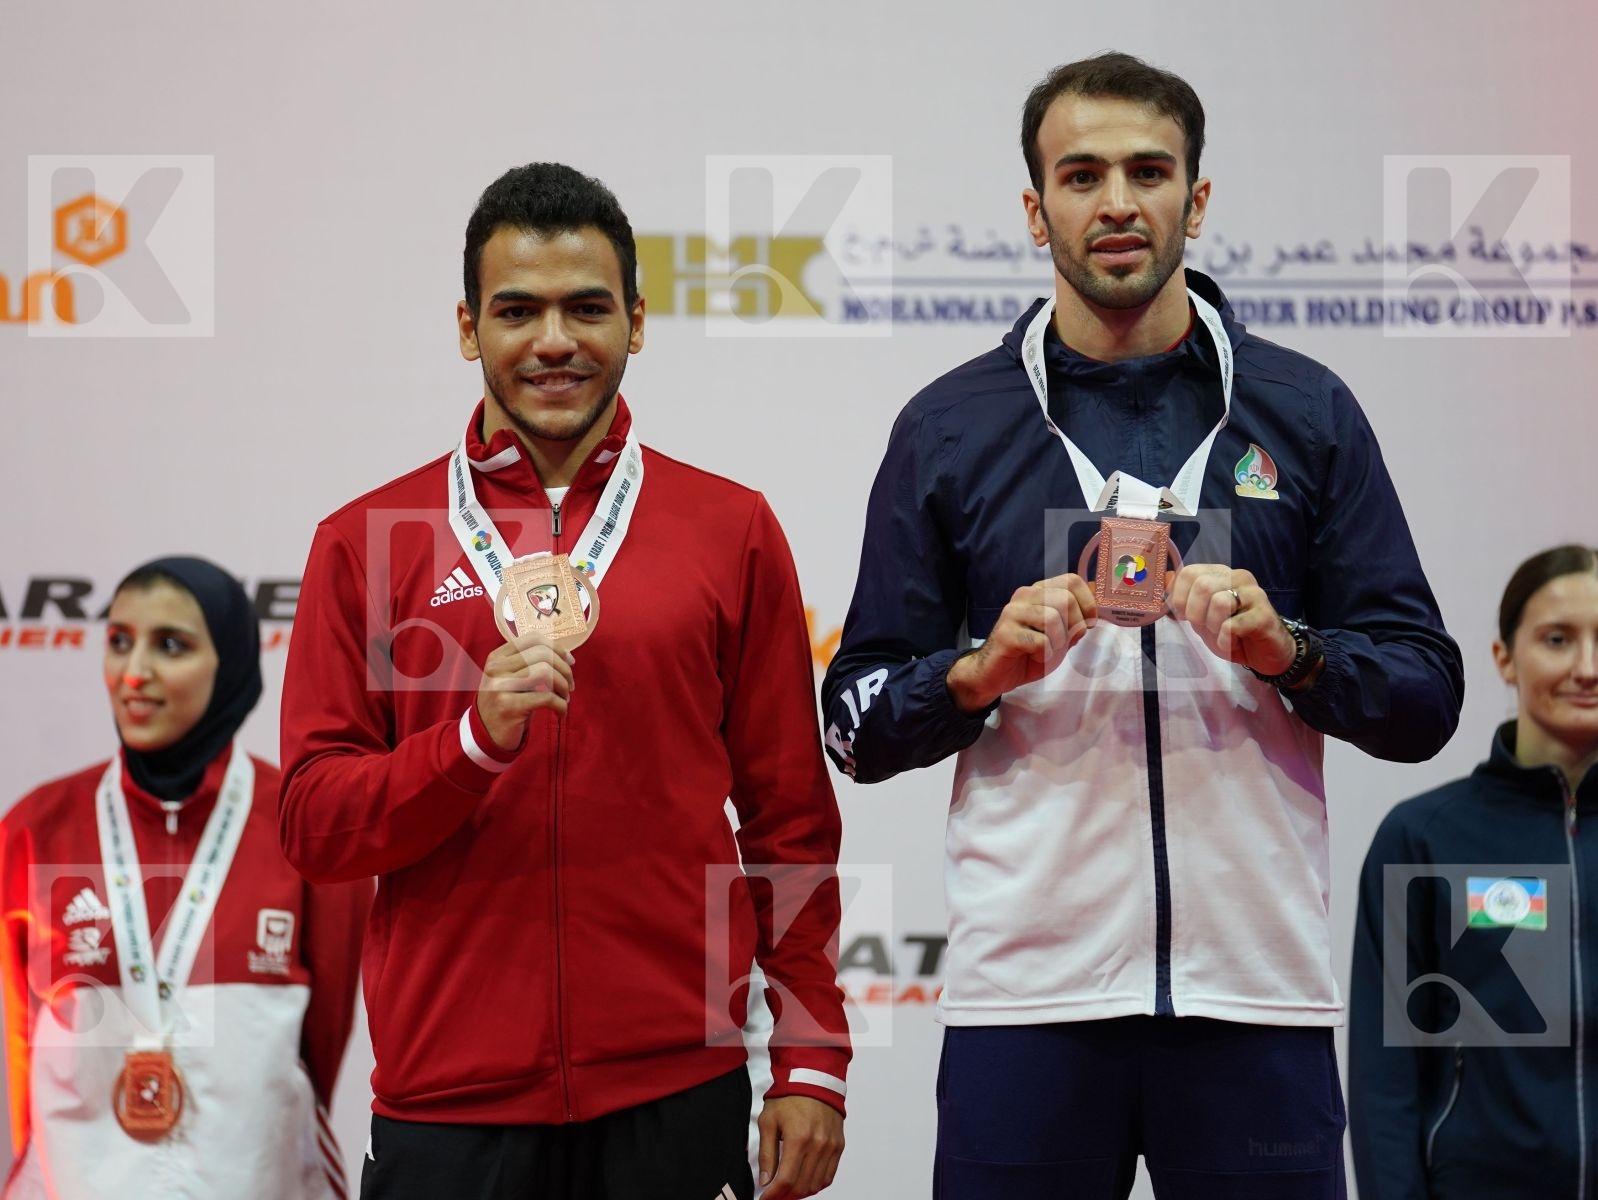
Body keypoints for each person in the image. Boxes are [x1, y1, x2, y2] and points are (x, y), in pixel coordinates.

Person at [820, 52, 1463, 1199]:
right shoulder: (950, 428)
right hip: (1027, 1007)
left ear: (1195, 201)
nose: (1114, 201)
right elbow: (853, 723)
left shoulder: (1304, 414)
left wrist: (1293, 653)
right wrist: (974, 674)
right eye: (1080, 175)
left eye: (1146, 171)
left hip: (1252, 1001)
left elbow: (1424, 694)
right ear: (1035, 210)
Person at [278, 163, 849, 1200]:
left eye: (586, 308)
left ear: (635, 319)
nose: (552, 342)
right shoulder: (369, 542)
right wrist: (467, 746)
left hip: (678, 1087)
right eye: (517, 311)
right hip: (447, 1106)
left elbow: (787, 823)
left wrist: (809, 1054)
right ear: (467, 328)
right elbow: (316, 826)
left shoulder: (728, 530)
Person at [0, 556, 368, 1199]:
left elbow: (320, 1046)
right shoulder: (38, 827)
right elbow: (24, 1036)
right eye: (119, 642)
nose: (134, 673)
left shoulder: (299, 823)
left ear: (228, 661)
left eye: (170, 645)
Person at [1350, 545, 1598, 1198]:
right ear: (1505, 658)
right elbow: (1387, 1080)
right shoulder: (1427, 840)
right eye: (1557, 639)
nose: (1587, 668)